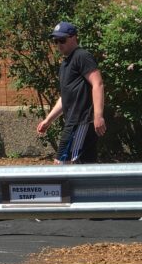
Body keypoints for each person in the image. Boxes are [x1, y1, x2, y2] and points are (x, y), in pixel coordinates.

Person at [36, 21, 107, 164]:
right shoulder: (65, 64)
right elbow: (65, 97)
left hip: (81, 121)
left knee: (61, 163)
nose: (58, 44)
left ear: (74, 38)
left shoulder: (82, 56)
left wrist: (98, 116)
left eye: (62, 40)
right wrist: (48, 120)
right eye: (55, 41)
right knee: (84, 164)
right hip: (73, 121)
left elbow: (97, 84)